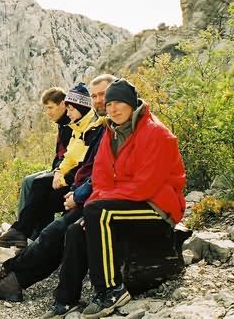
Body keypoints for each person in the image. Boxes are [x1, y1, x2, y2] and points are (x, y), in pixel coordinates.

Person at [45, 78, 186, 319]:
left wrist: (97, 205)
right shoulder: (111, 133)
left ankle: (111, 290)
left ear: (132, 103)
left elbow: (144, 186)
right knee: (76, 229)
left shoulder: (156, 133)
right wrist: (95, 204)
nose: (113, 109)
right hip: (127, 203)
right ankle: (66, 299)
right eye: (109, 104)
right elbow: (101, 177)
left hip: (157, 207)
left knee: (96, 212)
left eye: (119, 102)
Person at [0, 76, 116, 303]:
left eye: (103, 95)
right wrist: (69, 183)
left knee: (57, 230)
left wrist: (77, 193)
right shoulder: (101, 129)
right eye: (95, 95)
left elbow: (102, 172)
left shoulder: (103, 129)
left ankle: (10, 271)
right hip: (90, 194)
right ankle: (12, 277)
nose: (99, 100)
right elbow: (87, 166)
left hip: (101, 200)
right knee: (52, 226)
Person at [0, 87, 73, 248]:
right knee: (29, 180)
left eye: (50, 107)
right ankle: (25, 232)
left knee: (38, 184)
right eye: (46, 108)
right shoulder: (62, 124)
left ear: (63, 104)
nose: (47, 113)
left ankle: (25, 233)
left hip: (66, 172)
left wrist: (57, 171)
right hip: (58, 169)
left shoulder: (70, 124)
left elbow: (70, 157)